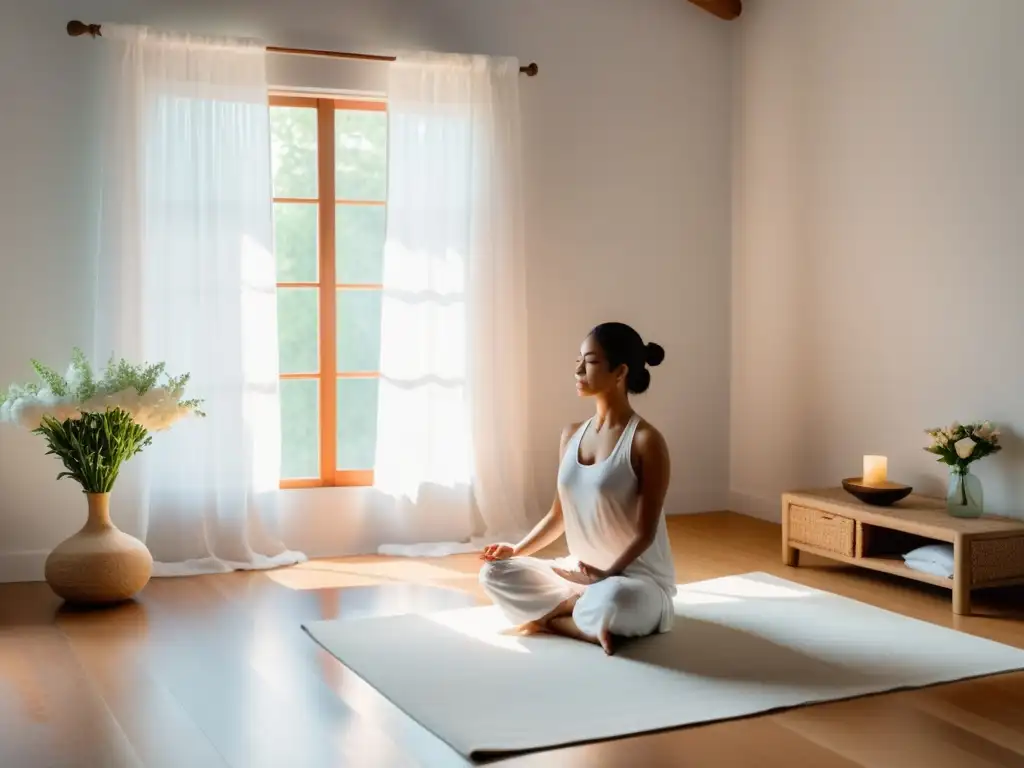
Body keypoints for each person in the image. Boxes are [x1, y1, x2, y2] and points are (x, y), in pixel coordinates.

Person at [478, 322, 677, 656]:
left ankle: (551, 618)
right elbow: (558, 515)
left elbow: (645, 533)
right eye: (578, 360)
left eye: (591, 361)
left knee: (614, 601)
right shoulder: (571, 435)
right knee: (494, 572)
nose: (578, 369)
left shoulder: (646, 441)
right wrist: (517, 550)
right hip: (580, 574)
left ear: (620, 372)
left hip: (634, 582)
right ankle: (573, 621)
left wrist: (605, 575)